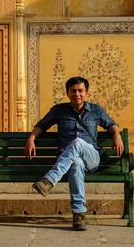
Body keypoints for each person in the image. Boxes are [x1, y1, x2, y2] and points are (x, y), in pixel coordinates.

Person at [25, 76, 124, 231]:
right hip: (69, 160)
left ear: (86, 93)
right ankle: (79, 214)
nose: (77, 94)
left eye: (80, 91)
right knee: (76, 164)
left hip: (92, 158)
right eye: (73, 91)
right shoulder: (59, 110)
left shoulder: (96, 110)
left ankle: (49, 180)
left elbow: (111, 124)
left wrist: (117, 136)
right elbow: (42, 125)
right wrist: (31, 138)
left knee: (78, 142)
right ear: (67, 93)